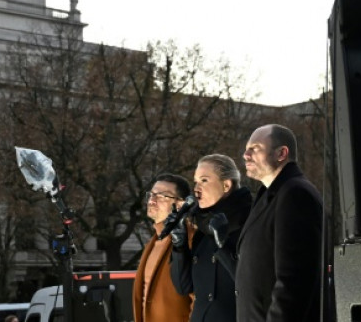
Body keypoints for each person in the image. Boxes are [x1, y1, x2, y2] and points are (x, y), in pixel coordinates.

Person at [235, 124, 323, 322]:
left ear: (281, 153)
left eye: (255, 148)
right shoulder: (272, 194)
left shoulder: (295, 194)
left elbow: (294, 281)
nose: (245, 155)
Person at [170, 154, 252, 322]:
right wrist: (179, 246)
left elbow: (253, 286)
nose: (196, 188)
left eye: (204, 180)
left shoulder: (251, 223)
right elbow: (183, 287)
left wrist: (223, 245)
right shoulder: (202, 227)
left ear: (226, 185)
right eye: (195, 182)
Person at [131, 173, 194, 322]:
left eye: (162, 196)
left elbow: (200, 298)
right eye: (151, 194)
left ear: (180, 204)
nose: (152, 200)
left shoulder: (190, 239)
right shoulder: (152, 243)